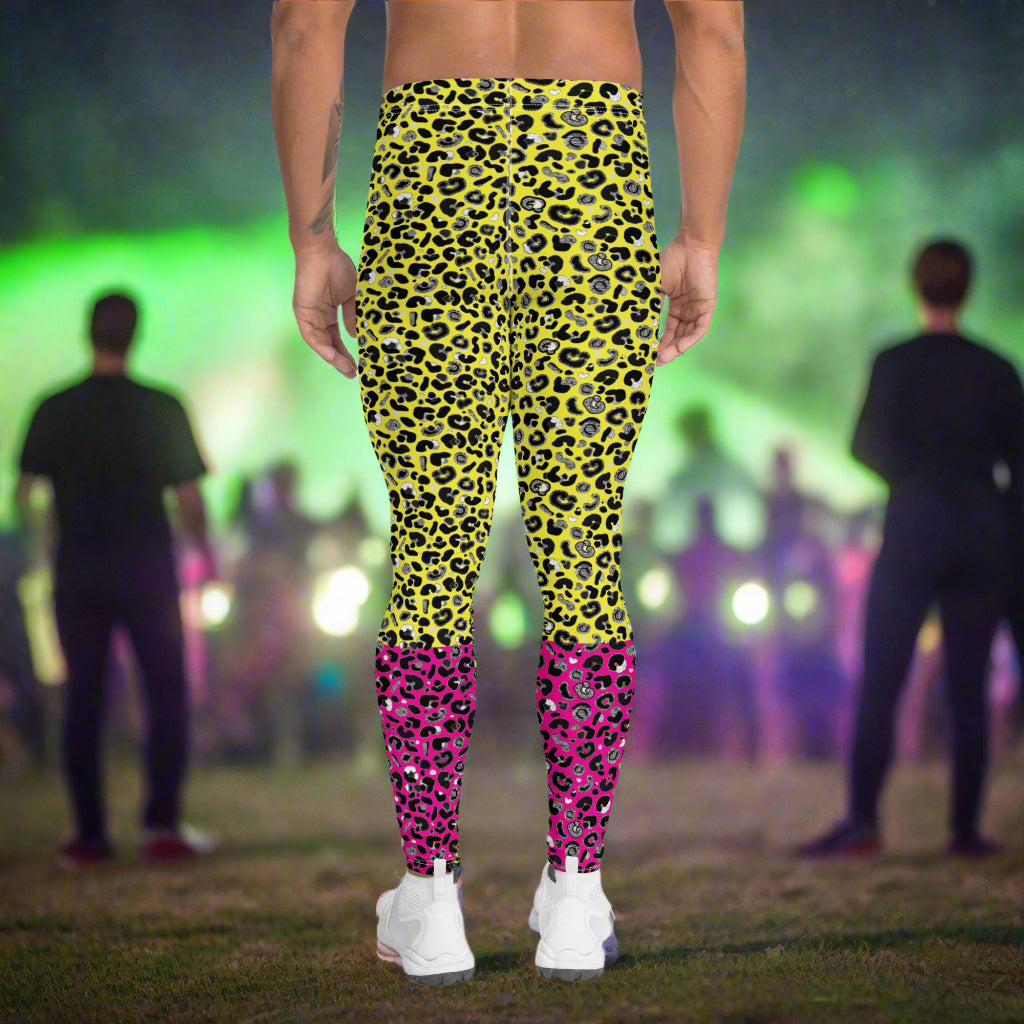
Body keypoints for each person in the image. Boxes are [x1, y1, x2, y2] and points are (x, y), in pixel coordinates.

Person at [271, 0, 746, 983]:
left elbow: (305, 28)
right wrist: (701, 234)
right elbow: (711, 28)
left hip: (430, 170)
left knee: (431, 552)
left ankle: (431, 895)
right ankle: (575, 893)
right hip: (592, 174)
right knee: (580, 549)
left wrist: (312, 238)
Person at [797, 240, 1024, 859]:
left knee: (883, 677)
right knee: (967, 684)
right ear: (968, 288)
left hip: (913, 530)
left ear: (915, 287)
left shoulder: (893, 363)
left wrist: (914, 476)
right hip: (981, 535)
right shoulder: (998, 369)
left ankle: (863, 821)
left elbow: (862, 445)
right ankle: (966, 830)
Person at [15, 291, 219, 868]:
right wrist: (206, 556)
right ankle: (162, 825)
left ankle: (87, 836)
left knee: (84, 696)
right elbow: (187, 496)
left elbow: (25, 494)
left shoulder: (53, 407)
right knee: (165, 691)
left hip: (77, 568)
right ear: (136, 335)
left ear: (88, 332)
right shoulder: (161, 407)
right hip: (148, 568)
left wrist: (40, 546)